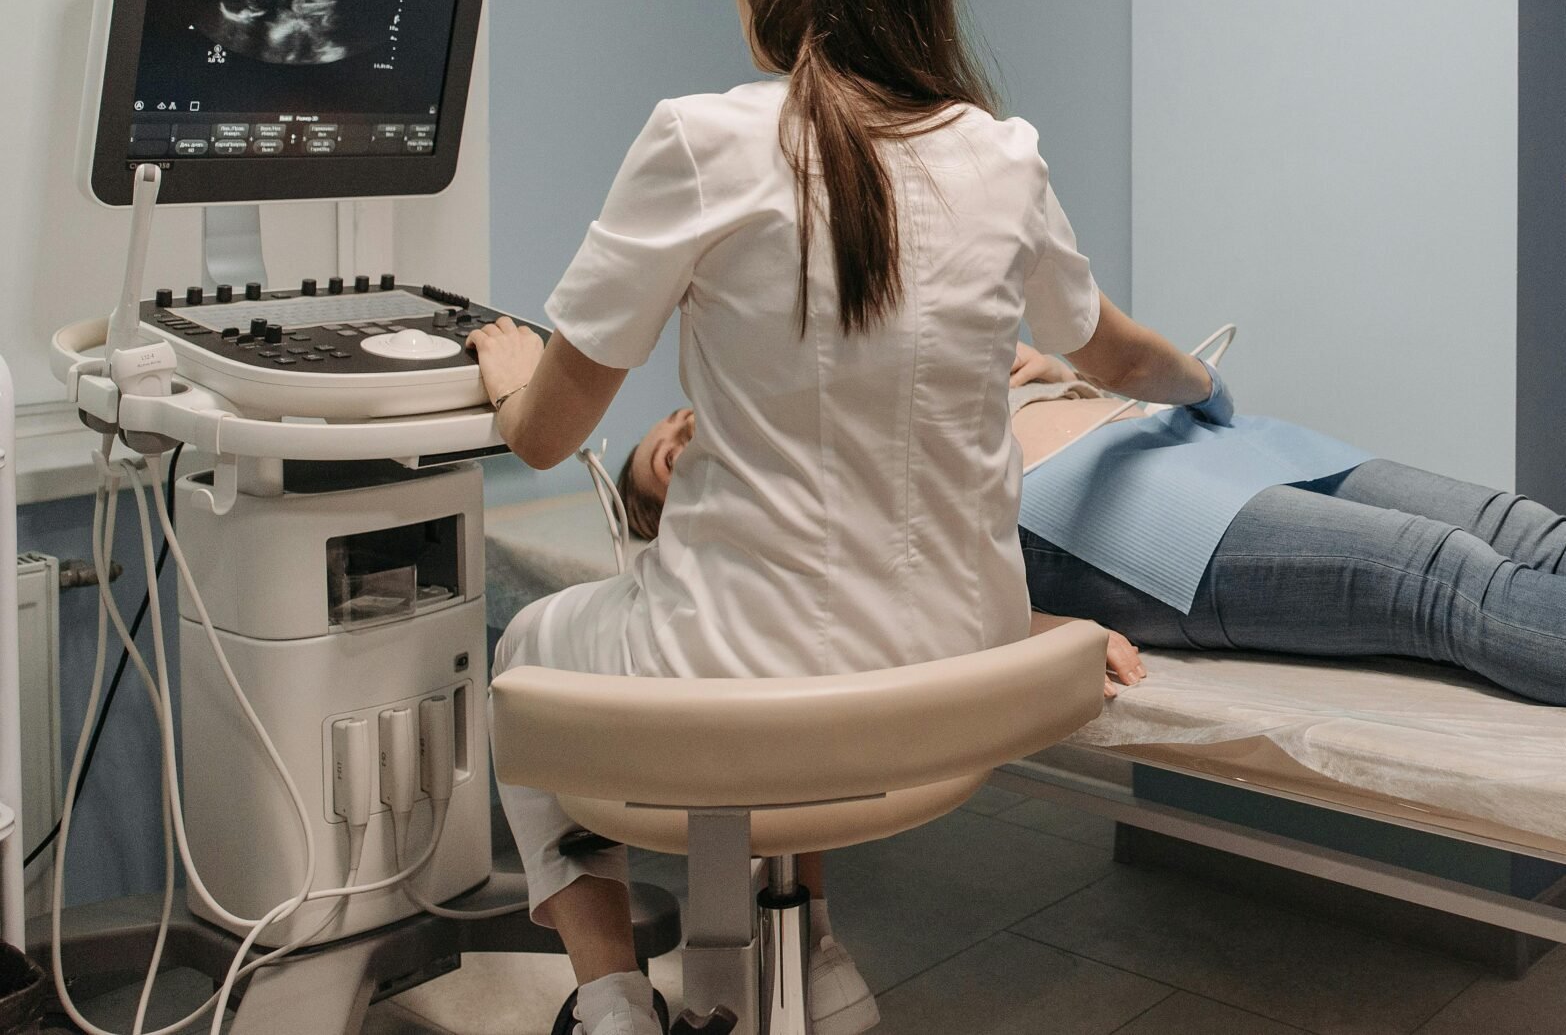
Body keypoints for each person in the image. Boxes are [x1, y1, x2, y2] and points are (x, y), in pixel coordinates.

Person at [467, 0, 1221, 1035]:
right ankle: (805, 951)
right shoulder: (1002, 155)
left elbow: (548, 436)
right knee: (794, 653)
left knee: (527, 648)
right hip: (959, 675)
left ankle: (609, 999)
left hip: (757, 676)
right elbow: (1122, 351)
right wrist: (1203, 385)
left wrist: (508, 371)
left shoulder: (702, 142)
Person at [623, 344, 1566, 710]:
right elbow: (901, 601)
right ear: (686, 518)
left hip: (1182, 433)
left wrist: (1019, 370)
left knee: (1519, 525)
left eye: (675, 419)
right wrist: (1051, 631)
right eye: (670, 458)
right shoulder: (805, 518)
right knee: (1446, 580)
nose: (689, 430)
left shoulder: (834, 416)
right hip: (1121, 517)